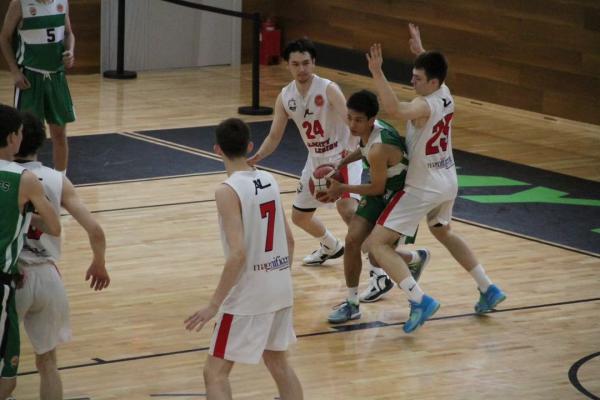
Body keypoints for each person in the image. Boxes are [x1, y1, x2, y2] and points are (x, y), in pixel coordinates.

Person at [363, 24, 506, 333]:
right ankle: (487, 287)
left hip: (423, 186)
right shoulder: (445, 93)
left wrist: (377, 72)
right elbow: (434, 69)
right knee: (443, 231)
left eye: (417, 78)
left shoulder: (423, 105)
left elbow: (394, 109)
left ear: (432, 82)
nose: (411, 81)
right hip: (447, 180)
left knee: (377, 245)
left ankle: (419, 300)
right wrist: (420, 50)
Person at [185, 118, 303, 400]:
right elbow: (289, 241)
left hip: (249, 295)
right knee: (278, 362)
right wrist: (277, 278)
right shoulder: (270, 179)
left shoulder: (227, 190)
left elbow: (238, 254)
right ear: (250, 146)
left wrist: (213, 305)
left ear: (217, 149)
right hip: (280, 287)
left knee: (214, 373)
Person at [14, 113, 110, 400]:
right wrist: (99, 263)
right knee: (48, 363)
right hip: (48, 278)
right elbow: (95, 230)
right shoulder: (58, 180)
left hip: (12, 275)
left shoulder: (5, 175)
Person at [247, 38, 362, 267]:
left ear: (314, 63)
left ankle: (380, 267)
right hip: (316, 161)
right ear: (288, 66)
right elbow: (274, 136)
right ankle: (331, 246)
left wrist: (349, 151)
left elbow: (354, 124)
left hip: (342, 157)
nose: (302, 69)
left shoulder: (328, 89)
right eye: (296, 64)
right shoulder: (285, 96)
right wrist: (258, 156)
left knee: (348, 211)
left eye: (306, 63)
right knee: (300, 217)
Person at [324, 90, 431, 323]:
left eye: (358, 120)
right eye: (350, 118)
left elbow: (377, 188)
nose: (352, 125)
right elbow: (363, 149)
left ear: (371, 120)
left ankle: (414, 258)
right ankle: (352, 303)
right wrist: (342, 162)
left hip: (396, 196)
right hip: (380, 192)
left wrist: (342, 188)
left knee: (377, 253)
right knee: (352, 241)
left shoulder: (379, 149)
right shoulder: (371, 132)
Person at [0, 104, 61, 400]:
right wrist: (25, 214)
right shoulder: (24, 178)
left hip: (12, 281)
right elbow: (54, 226)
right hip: (4, 282)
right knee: (6, 382)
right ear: (14, 137)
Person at [0, 0, 76, 173]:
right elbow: (4, 38)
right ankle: (26, 180)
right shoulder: (20, 3)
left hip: (56, 77)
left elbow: (69, 34)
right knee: (26, 136)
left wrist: (70, 51)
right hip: (30, 77)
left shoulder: (62, 2)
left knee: (59, 134)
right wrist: (15, 71)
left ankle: (60, 180)